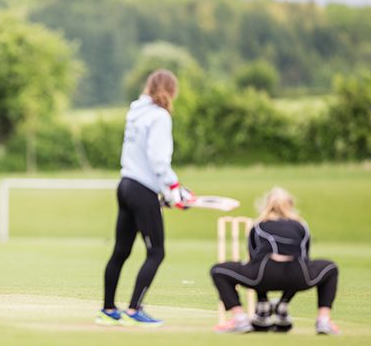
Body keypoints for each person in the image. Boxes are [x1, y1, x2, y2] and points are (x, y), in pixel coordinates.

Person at [96, 69, 194, 327]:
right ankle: (134, 310)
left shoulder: (136, 111)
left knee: (121, 251)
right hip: (142, 189)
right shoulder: (160, 117)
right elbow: (158, 160)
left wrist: (172, 191)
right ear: (172, 91)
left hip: (126, 184)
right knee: (157, 252)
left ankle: (107, 309)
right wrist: (173, 190)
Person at [210, 187, 340, 335]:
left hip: (264, 276)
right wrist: (284, 300)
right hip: (298, 276)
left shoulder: (258, 226)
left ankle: (240, 319)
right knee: (331, 268)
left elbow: (254, 261)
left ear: (266, 205)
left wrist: (262, 298)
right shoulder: (301, 226)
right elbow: (304, 260)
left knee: (218, 270)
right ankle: (323, 320)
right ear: (290, 205)